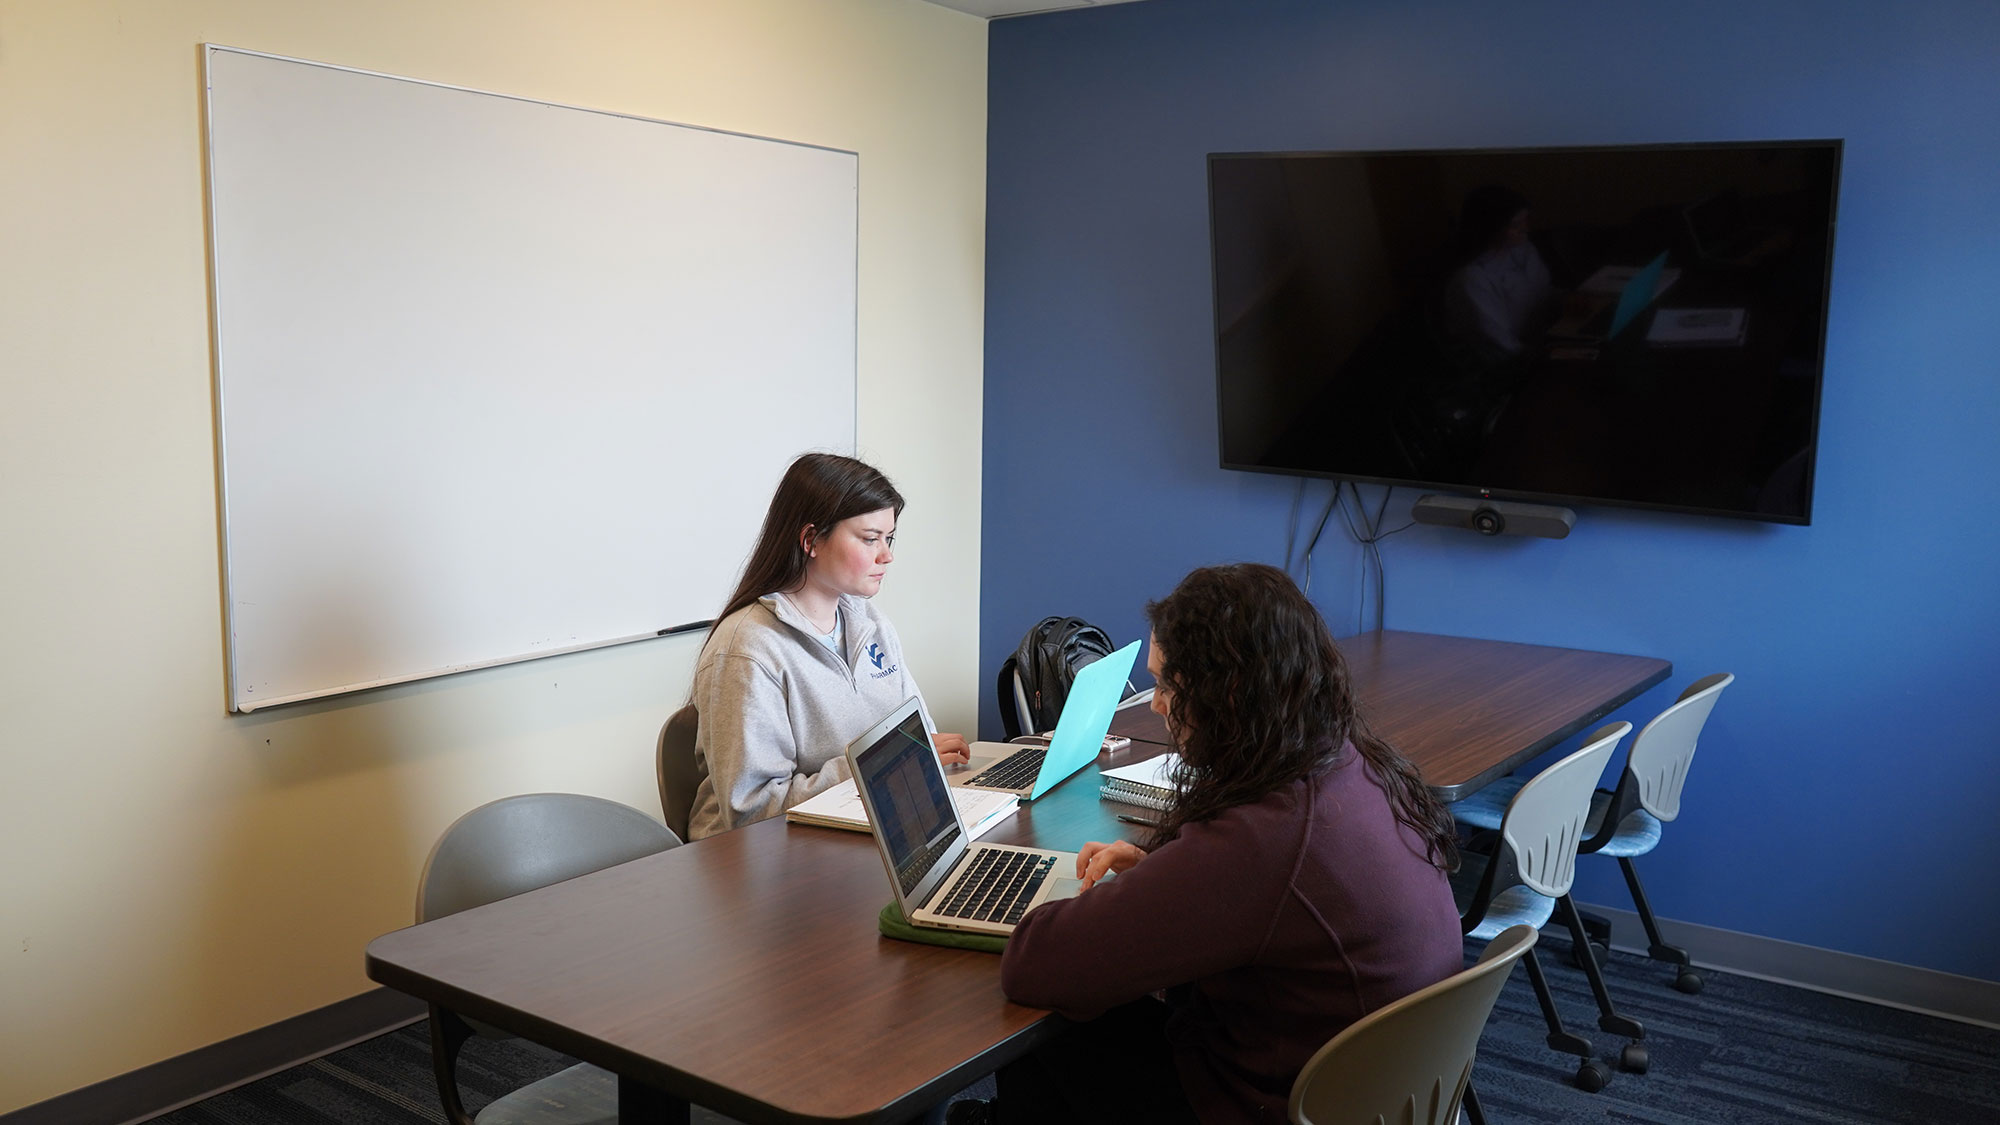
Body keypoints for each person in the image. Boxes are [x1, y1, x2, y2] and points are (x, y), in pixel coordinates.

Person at [967, 563, 1463, 1125]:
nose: (1154, 704)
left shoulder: (1265, 838)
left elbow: (1036, 964)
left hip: (1273, 1104)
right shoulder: (1349, 762)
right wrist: (1166, 876)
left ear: (1227, 692)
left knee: (1049, 1039)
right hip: (1373, 1088)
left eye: (1167, 685)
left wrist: (1164, 888)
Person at [684, 453, 969, 840]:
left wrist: (920, 755)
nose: (887, 556)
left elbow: (918, 738)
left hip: (862, 828)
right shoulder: (747, 650)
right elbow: (752, 811)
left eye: (889, 538)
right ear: (810, 540)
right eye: (870, 539)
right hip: (762, 860)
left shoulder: (870, 624)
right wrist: (874, 765)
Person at [1443, 183, 1554, 363]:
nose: (1525, 229)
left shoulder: (1522, 250)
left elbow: (1541, 292)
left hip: (1541, 341)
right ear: (1491, 227)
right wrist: (1545, 356)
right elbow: (1501, 344)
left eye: (1526, 220)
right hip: (1504, 366)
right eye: (1515, 225)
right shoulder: (1472, 280)